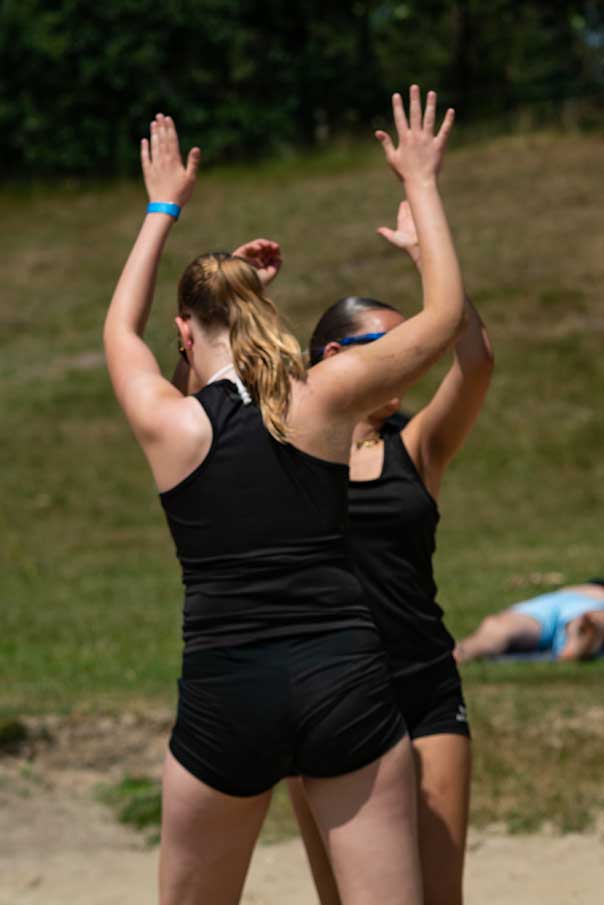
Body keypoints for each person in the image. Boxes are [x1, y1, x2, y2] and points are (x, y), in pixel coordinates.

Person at [103, 86, 463, 905]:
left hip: (227, 686)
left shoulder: (171, 422)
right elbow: (442, 315)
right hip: (344, 676)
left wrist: (163, 205)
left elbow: (119, 333)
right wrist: (421, 181)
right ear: (263, 315)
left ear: (187, 333)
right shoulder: (325, 397)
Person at [284, 199, 493, 905]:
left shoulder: (418, 444)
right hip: (324, 696)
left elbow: (477, 362)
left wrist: (431, 259)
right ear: (336, 358)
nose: (413, 357)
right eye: (393, 344)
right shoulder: (284, 452)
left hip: (424, 687)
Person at [455, 580, 604, 662]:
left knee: (500, 627)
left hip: (556, 599)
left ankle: (463, 652)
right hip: (591, 600)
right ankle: (578, 638)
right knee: (592, 617)